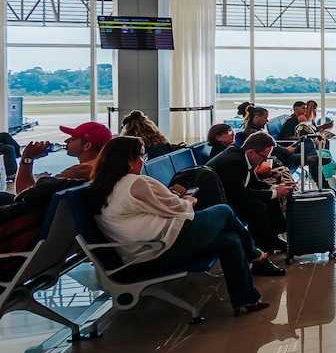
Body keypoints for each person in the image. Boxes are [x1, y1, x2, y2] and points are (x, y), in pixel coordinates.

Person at [87, 135, 273, 315]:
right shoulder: (135, 183)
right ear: (129, 160)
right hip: (161, 249)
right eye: (141, 157)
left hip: (140, 253)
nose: (143, 162)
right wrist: (188, 200)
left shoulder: (103, 185)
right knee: (224, 210)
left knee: (231, 241)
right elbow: (179, 209)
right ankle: (257, 257)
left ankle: (246, 300)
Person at [206, 131, 293, 261]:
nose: (265, 161)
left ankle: (273, 238)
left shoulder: (244, 157)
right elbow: (240, 193)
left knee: (271, 198)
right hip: (219, 204)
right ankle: (263, 244)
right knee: (256, 206)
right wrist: (274, 192)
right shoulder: (232, 163)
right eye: (264, 157)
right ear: (252, 152)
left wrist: (275, 188)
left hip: (231, 196)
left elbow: (254, 183)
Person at [16, 121, 112, 195]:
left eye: (73, 138)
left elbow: (24, 193)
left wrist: (26, 159)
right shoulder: (104, 165)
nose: (66, 141)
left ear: (87, 146)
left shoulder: (81, 171)